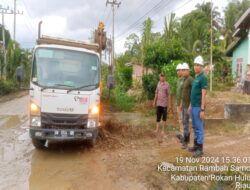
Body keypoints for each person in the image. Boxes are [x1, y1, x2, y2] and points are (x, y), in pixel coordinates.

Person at [188, 56, 208, 157]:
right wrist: (190, 105)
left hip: (199, 107)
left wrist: (202, 109)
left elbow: (203, 94)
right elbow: (193, 93)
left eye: (198, 65)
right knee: (195, 127)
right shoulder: (196, 77)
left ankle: (200, 149)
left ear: (201, 66)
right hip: (194, 106)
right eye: (195, 65)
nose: (196, 67)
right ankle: (196, 146)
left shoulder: (203, 78)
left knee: (199, 128)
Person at [180, 63, 193, 149]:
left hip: (188, 105)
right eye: (182, 70)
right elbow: (183, 93)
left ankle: (186, 141)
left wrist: (191, 105)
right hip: (184, 105)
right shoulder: (184, 79)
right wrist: (181, 103)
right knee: (184, 122)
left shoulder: (190, 79)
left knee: (186, 123)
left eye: (184, 70)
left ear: (188, 70)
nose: (183, 71)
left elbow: (193, 92)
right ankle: (185, 140)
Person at [175, 63, 184, 142]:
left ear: (182, 70)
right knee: (180, 120)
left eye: (179, 70)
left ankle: (184, 136)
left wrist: (181, 103)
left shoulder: (184, 80)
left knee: (183, 120)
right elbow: (178, 92)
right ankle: (182, 134)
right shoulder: (178, 80)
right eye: (177, 70)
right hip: (177, 103)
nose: (178, 72)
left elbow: (183, 93)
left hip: (182, 104)